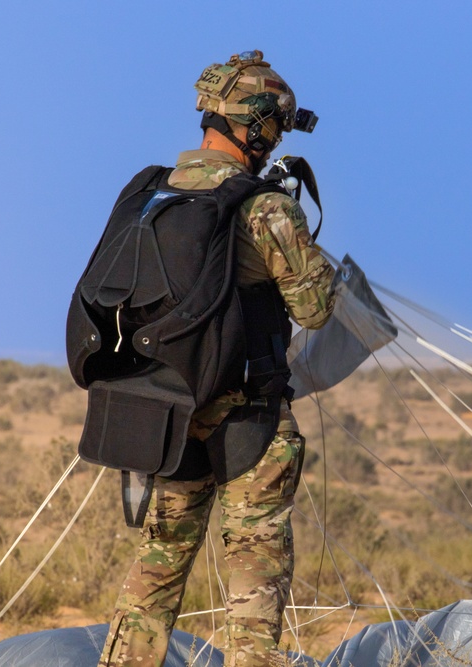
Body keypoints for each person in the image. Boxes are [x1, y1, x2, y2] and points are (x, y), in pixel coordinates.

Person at [99, 50, 336, 667]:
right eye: (276, 125)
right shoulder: (266, 207)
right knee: (252, 596)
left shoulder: (152, 195)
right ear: (255, 124)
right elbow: (313, 309)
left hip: (167, 416)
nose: (276, 137)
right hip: (249, 422)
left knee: (153, 577)